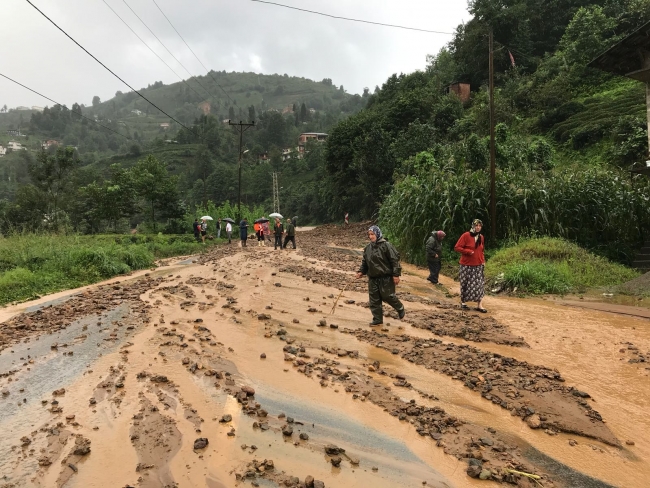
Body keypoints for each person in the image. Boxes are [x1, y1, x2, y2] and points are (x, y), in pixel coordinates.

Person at [356, 225, 405, 326]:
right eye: (369, 235)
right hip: (373, 278)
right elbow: (365, 262)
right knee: (374, 300)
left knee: (388, 296)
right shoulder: (368, 248)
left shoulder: (386, 245)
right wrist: (361, 272)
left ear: (377, 234)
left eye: (372, 234)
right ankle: (377, 319)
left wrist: (396, 275)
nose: (370, 236)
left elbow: (394, 260)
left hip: (385, 277)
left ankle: (400, 307)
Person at [454, 219, 487, 313]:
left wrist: (483, 260)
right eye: (476, 225)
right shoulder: (466, 235)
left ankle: (480, 305)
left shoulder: (481, 237)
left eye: (480, 226)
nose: (478, 227)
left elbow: (481, 250)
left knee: (479, 285)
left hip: (478, 265)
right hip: (466, 265)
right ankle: (463, 302)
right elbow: (457, 247)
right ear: (473, 226)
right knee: (465, 283)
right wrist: (467, 251)